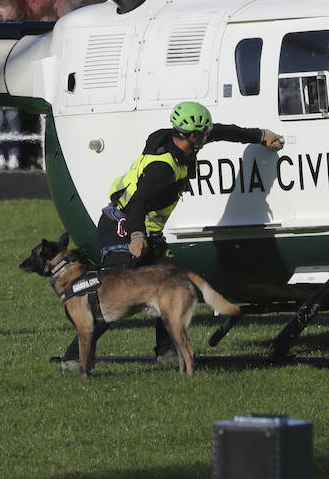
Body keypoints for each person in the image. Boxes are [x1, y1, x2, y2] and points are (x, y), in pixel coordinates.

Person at [58, 102, 283, 370]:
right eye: (202, 133)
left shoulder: (183, 139)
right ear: (191, 136)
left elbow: (221, 131)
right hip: (123, 225)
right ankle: (74, 358)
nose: (207, 136)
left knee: (169, 284)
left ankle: (166, 352)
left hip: (147, 230)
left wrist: (259, 135)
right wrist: (136, 237)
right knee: (114, 294)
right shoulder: (162, 168)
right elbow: (138, 202)